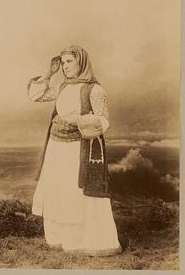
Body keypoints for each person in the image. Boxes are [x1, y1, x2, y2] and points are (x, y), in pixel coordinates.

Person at [28, 45, 121, 256]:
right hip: (56, 147)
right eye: (63, 62)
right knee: (58, 190)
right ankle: (60, 239)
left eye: (69, 61)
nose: (65, 66)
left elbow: (103, 120)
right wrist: (48, 73)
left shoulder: (95, 89)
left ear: (82, 62)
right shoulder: (62, 87)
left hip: (77, 149)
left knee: (75, 192)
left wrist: (76, 121)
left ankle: (88, 242)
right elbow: (35, 95)